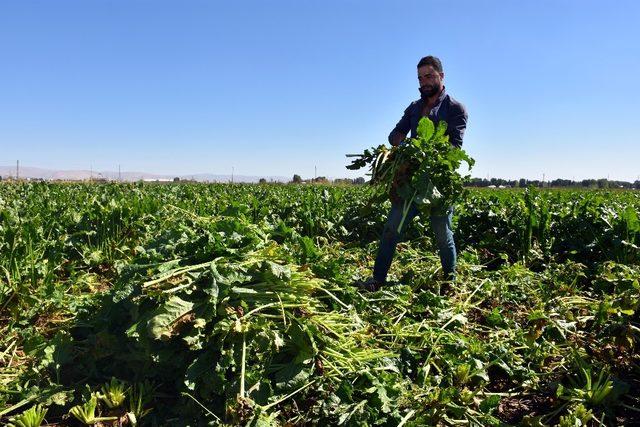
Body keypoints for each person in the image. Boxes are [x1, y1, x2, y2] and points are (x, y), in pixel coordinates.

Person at [360, 55, 468, 292]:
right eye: (420, 78)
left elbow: (454, 148)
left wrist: (426, 151)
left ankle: (450, 281)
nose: (424, 82)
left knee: (442, 234)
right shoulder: (414, 108)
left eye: (429, 76)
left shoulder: (455, 109)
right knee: (391, 230)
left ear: (441, 76)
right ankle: (377, 279)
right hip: (409, 181)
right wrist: (406, 146)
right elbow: (395, 134)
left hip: (437, 184)